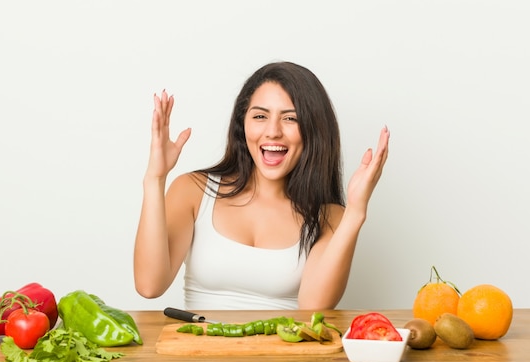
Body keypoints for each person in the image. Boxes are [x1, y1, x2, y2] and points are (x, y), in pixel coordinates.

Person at [133, 61, 389, 310]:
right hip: (203, 351)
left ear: (313, 130)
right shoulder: (193, 190)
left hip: (283, 354)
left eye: (290, 119)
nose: (273, 131)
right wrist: (155, 178)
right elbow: (149, 286)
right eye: (260, 116)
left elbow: (313, 306)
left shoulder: (330, 217)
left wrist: (356, 211)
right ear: (242, 124)